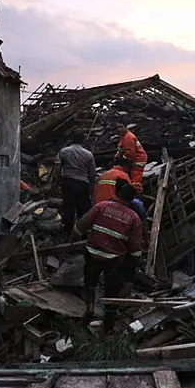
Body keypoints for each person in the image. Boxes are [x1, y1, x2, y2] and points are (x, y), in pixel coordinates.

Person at [70, 181, 144, 333]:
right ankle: (108, 324)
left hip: (92, 253)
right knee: (112, 291)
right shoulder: (134, 218)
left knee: (90, 282)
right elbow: (135, 250)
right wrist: (129, 276)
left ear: (117, 194)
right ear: (131, 200)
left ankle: (89, 306)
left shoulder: (101, 206)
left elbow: (80, 226)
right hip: (114, 259)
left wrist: (71, 242)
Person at [58, 132, 96, 236]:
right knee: (83, 209)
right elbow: (92, 174)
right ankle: (82, 233)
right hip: (83, 183)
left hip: (68, 182)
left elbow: (58, 168)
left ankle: (68, 232)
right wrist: (92, 188)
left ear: (72, 140)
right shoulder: (88, 154)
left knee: (68, 208)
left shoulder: (64, 151)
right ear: (83, 141)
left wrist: (57, 181)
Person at [114, 122, 148, 192]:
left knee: (136, 179)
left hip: (138, 160)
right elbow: (122, 149)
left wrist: (122, 160)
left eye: (121, 127)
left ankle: (136, 193)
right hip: (134, 159)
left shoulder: (128, 137)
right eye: (117, 128)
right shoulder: (123, 137)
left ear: (126, 127)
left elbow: (130, 154)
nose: (119, 129)